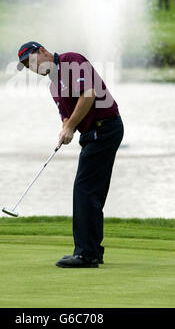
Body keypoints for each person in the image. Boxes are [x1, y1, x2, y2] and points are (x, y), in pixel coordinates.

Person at [17, 41, 124, 268]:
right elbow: (67, 117)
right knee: (90, 192)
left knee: (84, 189)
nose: (32, 67)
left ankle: (86, 254)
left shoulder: (70, 60)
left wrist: (70, 126)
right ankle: (93, 252)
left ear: (43, 52)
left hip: (105, 127)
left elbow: (88, 95)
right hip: (92, 134)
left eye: (32, 61)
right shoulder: (53, 86)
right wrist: (65, 128)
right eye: (27, 66)